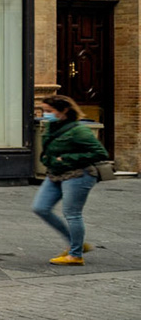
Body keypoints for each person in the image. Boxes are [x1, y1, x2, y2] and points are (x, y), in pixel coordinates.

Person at [33, 93, 108, 264]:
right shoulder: (51, 127)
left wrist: (67, 159)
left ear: (64, 110)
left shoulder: (79, 130)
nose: (45, 114)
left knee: (72, 214)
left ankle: (75, 255)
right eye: (43, 110)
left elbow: (100, 153)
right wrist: (48, 160)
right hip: (55, 173)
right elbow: (46, 151)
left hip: (79, 175)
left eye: (49, 110)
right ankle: (78, 243)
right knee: (40, 207)